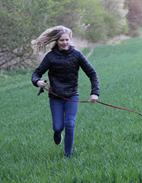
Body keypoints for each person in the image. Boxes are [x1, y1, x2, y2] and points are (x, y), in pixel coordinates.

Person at [31, 25, 100, 157]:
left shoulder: (77, 55)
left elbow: (92, 74)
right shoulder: (50, 57)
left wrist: (95, 93)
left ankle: (68, 155)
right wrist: (37, 82)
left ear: (70, 40)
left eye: (67, 40)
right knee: (58, 127)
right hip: (55, 96)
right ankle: (57, 133)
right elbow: (36, 73)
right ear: (57, 41)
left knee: (70, 123)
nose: (65, 42)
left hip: (72, 96)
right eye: (62, 40)